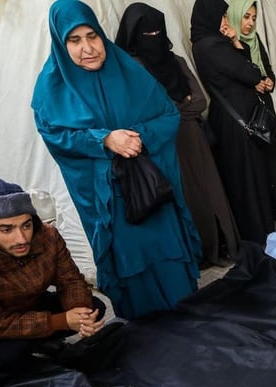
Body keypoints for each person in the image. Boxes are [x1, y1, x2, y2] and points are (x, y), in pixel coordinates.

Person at [32, 0, 201, 319]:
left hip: (153, 191)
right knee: (131, 267)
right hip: (112, 202)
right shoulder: (52, 87)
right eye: (75, 40)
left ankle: (186, 323)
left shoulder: (129, 70)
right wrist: (105, 140)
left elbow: (168, 115)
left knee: (169, 261)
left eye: (92, 36)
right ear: (59, 41)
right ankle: (146, 334)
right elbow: (55, 133)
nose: (88, 48)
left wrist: (136, 137)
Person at [0, 179, 107, 371]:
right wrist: (61, 321)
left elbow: (71, 280)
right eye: (6, 229)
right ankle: (7, 353)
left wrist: (80, 313)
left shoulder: (47, 236)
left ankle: (40, 341)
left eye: (26, 225)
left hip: (30, 305)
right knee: (9, 356)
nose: (21, 239)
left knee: (93, 307)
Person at [115, 2, 240, 267]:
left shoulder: (176, 61)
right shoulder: (129, 70)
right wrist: (176, 107)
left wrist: (170, 110)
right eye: (146, 34)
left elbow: (199, 102)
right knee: (183, 197)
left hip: (192, 138)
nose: (154, 39)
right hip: (160, 145)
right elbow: (141, 112)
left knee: (208, 192)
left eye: (157, 32)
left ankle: (220, 245)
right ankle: (197, 252)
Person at [190, 0, 276, 244]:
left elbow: (243, 68)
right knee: (247, 177)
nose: (226, 23)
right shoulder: (211, 45)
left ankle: (257, 229)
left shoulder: (205, 44)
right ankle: (257, 232)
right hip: (237, 123)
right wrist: (234, 42)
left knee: (246, 176)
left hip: (233, 120)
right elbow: (250, 72)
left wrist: (234, 43)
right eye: (223, 17)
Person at [227, 0, 276, 221]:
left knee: (274, 152)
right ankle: (264, 207)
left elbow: (268, 69)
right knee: (257, 158)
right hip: (245, 107)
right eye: (246, 17)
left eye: (253, 18)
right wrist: (252, 82)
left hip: (264, 104)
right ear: (235, 15)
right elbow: (235, 74)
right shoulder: (226, 45)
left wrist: (268, 81)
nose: (249, 23)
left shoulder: (255, 41)